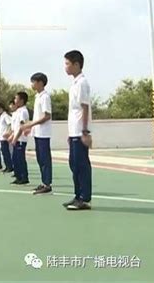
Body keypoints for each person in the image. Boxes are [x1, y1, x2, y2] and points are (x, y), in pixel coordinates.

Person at [63, 50, 93, 210]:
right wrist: (71, 133)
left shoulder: (82, 83)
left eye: (67, 63)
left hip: (80, 131)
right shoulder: (74, 83)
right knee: (74, 164)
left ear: (76, 64)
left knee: (81, 165)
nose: (65, 67)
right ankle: (77, 195)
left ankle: (84, 198)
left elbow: (84, 107)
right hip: (74, 130)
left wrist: (85, 131)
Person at [21, 73, 53, 194]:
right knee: (40, 158)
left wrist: (31, 124)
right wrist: (31, 128)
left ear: (40, 82)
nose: (32, 84)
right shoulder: (37, 97)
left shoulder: (45, 97)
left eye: (33, 81)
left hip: (44, 133)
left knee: (45, 159)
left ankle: (47, 184)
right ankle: (44, 182)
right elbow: (37, 116)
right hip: (38, 133)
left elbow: (47, 115)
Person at [9, 92, 30, 185]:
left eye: (16, 98)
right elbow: (15, 127)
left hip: (21, 139)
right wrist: (12, 136)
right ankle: (18, 176)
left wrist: (15, 138)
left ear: (21, 100)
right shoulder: (17, 111)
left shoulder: (23, 111)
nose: (15, 100)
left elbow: (22, 126)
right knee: (15, 159)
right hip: (17, 138)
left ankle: (24, 177)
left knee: (20, 159)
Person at [0, 103, 13, 173]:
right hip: (2, 138)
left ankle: (9, 167)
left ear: (1, 109)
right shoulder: (1, 116)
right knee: (4, 153)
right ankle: (7, 166)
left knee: (6, 153)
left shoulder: (5, 115)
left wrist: (8, 132)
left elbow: (10, 123)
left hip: (5, 138)